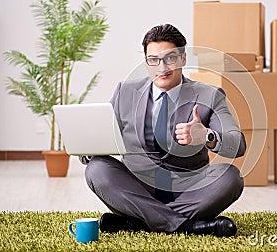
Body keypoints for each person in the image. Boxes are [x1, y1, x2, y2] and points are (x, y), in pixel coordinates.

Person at [83, 24, 246, 237]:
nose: (162, 68)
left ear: (183, 59)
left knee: (231, 177)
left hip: (188, 189)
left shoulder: (210, 95)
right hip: (136, 188)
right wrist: (87, 148)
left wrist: (207, 135)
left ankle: (139, 222)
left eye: (170, 58)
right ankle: (187, 227)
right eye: (154, 60)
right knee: (96, 169)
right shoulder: (125, 91)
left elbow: (238, 144)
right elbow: (101, 139)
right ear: (146, 62)